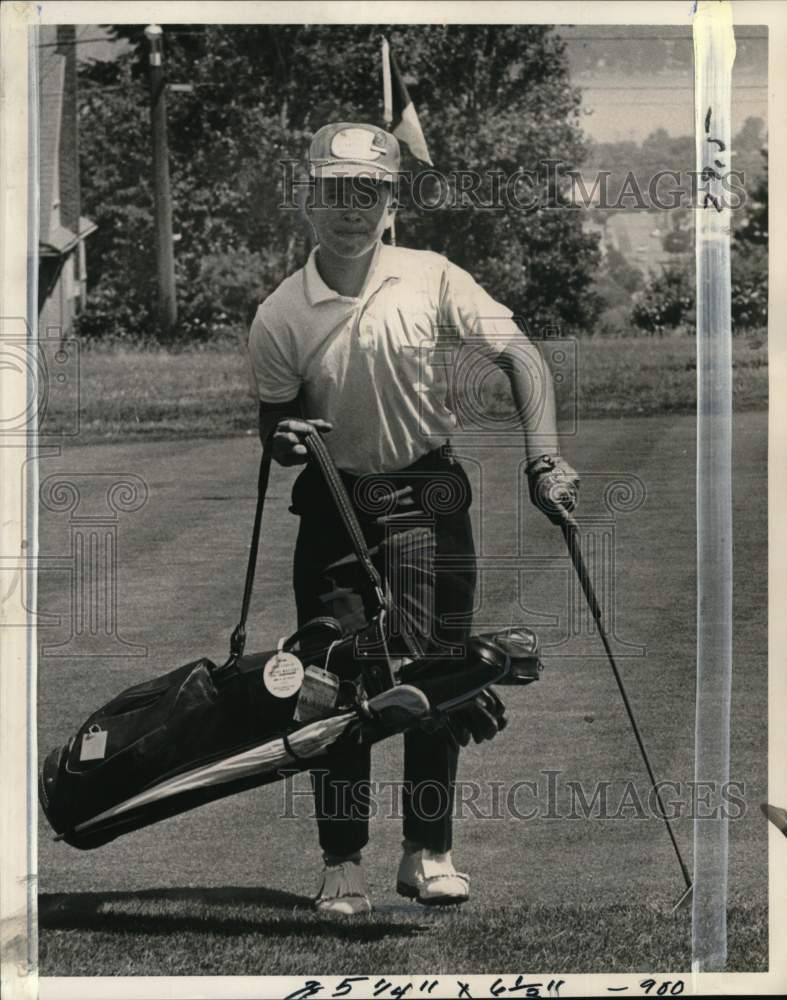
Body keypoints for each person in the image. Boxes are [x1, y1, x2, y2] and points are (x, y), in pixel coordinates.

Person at [247, 122, 578, 916]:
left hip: (429, 491)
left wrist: (542, 459)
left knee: (440, 676)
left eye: (368, 192)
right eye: (334, 191)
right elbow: (277, 431)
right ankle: (342, 863)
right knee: (331, 683)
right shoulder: (280, 314)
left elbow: (521, 356)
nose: (351, 209)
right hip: (335, 501)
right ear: (307, 201)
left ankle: (427, 854)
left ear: (392, 202)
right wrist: (286, 439)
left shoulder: (432, 277)